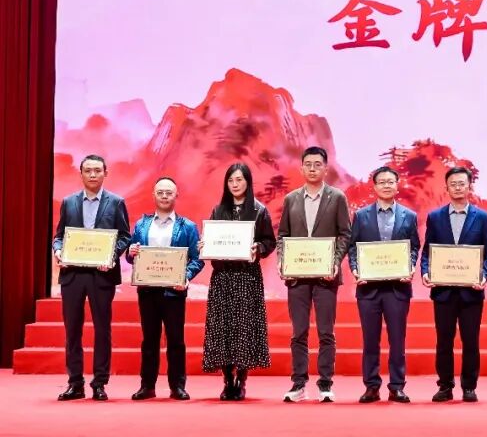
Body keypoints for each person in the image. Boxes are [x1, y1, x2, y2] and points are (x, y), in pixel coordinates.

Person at [52, 154, 131, 401]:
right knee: (72, 330)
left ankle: (99, 383)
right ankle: (75, 383)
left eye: (97, 170)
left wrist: (112, 256)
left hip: (102, 275)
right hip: (73, 274)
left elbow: (125, 236)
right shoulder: (69, 202)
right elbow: (59, 237)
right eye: (88, 170)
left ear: (105, 173)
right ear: (81, 174)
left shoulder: (116, 202)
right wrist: (58, 251)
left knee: (102, 330)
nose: (93, 174)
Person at [278, 146, 351, 403]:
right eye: (308, 164)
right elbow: (283, 236)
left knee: (325, 332)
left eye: (317, 164)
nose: (312, 168)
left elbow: (345, 234)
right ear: (301, 168)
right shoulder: (291, 199)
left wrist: (335, 261)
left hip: (325, 277)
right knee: (298, 332)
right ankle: (298, 384)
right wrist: (283, 260)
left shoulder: (337, 197)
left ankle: (325, 384)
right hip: (297, 276)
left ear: (325, 168)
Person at [201, 163, 276, 400]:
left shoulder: (259, 210)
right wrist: (205, 245)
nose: (235, 184)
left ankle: (241, 380)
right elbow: (210, 240)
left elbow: (269, 242)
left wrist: (258, 247)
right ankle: (227, 380)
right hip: (223, 277)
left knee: (244, 328)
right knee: (223, 327)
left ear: (248, 182)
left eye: (239, 180)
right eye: (231, 180)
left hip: (247, 277)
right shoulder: (218, 210)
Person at [126, 176, 204, 401]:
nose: (164, 196)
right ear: (153, 195)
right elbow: (131, 256)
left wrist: (185, 277)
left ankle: (177, 386)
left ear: (176, 195)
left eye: (169, 192)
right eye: (160, 192)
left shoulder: (187, 226)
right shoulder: (141, 225)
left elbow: (197, 259)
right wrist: (130, 252)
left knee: (176, 340)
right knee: (149, 340)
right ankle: (147, 386)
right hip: (147, 291)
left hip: (174, 292)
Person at [421, 166, 487, 403]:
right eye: (453, 184)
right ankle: (445, 386)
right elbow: (427, 252)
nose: (458, 188)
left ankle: (469, 386)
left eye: (462, 183)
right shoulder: (435, 217)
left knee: (470, 341)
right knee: (444, 341)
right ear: (447, 188)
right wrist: (425, 271)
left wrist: (483, 275)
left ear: (469, 186)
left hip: (471, 292)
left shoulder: (482, 217)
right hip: (443, 292)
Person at [348, 166, 420, 404]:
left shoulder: (409, 216)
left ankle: (397, 386)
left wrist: (410, 267)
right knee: (370, 340)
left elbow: (414, 247)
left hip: (398, 288)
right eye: (382, 182)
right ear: (375, 186)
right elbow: (353, 248)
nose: (386, 185)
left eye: (391, 181)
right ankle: (371, 386)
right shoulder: (361, 216)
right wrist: (356, 270)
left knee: (397, 340)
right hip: (368, 288)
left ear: (397, 185)